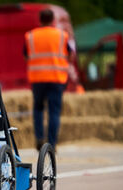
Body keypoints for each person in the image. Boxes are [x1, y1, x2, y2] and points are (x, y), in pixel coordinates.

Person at [24, 8, 71, 150]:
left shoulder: (30, 36)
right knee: (54, 112)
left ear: (40, 20)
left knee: (38, 109)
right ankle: (51, 143)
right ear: (53, 20)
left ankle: (39, 138)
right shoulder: (62, 35)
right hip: (57, 79)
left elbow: (26, 55)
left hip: (38, 79)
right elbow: (69, 54)